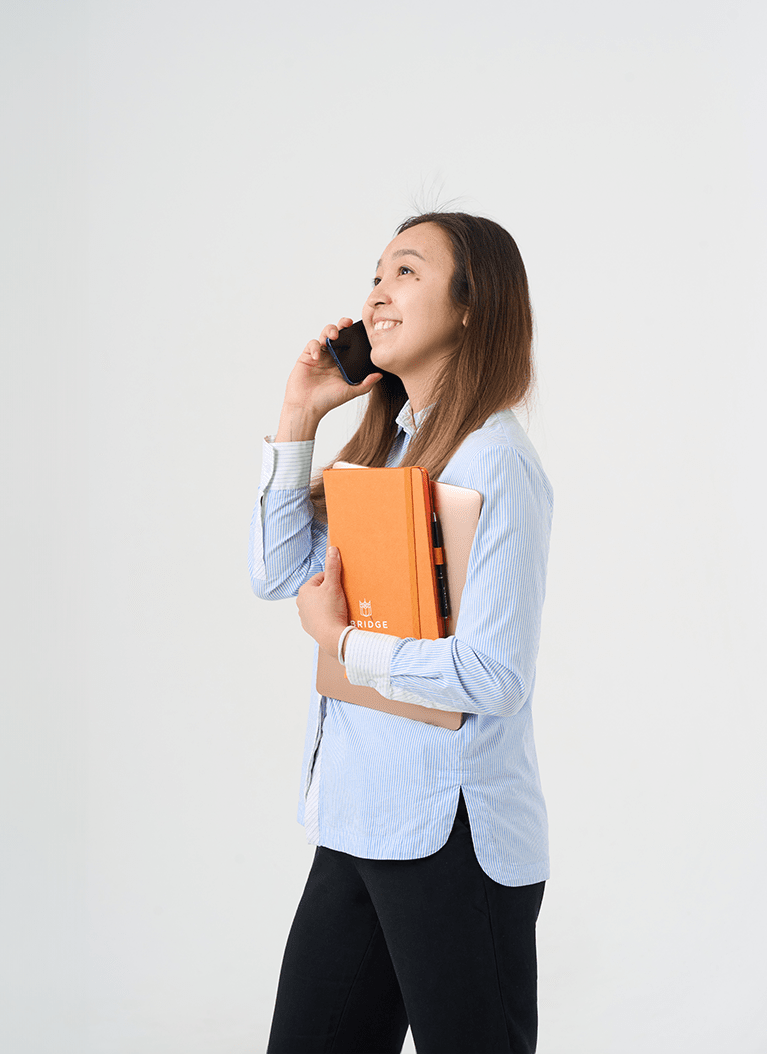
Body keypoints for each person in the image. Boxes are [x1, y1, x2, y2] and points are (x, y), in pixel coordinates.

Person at [248, 212, 551, 1054]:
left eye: (407, 272)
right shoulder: (385, 454)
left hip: (450, 835)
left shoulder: (495, 462)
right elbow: (275, 572)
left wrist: (345, 644)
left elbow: (493, 676)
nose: (378, 293)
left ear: (471, 306)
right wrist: (299, 412)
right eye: (376, 274)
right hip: (356, 820)